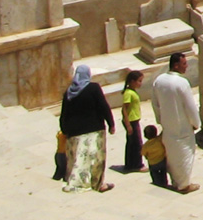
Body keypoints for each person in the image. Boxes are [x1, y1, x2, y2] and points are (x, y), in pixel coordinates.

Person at [57, 63, 115, 193]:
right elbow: (103, 106)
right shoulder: (93, 88)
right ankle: (98, 183)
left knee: (78, 158)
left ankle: (75, 179)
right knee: (96, 158)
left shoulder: (69, 92)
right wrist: (111, 123)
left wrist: (65, 130)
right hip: (94, 130)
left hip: (74, 132)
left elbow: (64, 113)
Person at [150, 51, 202, 194]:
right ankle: (184, 185)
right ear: (176, 65)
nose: (186, 67)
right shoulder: (182, 83)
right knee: (184, 156)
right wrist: (196, 123)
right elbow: (190, 106)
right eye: (184, 64)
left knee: (172, 156)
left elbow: (155, 104)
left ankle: (176, 182)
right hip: (183, 128)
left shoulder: (159, 80)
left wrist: (160, 120)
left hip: (168, 127)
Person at [120, 69, 145, 173]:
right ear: (132, 81)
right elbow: (124, 109)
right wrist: (128, 124)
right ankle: (136, 165)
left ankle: (131, 164)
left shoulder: (132, 92)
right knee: (136, 144)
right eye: (139, 81)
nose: (140, 83)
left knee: (133, 143)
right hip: (131, 121)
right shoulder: (128, 93)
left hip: (134, 120)